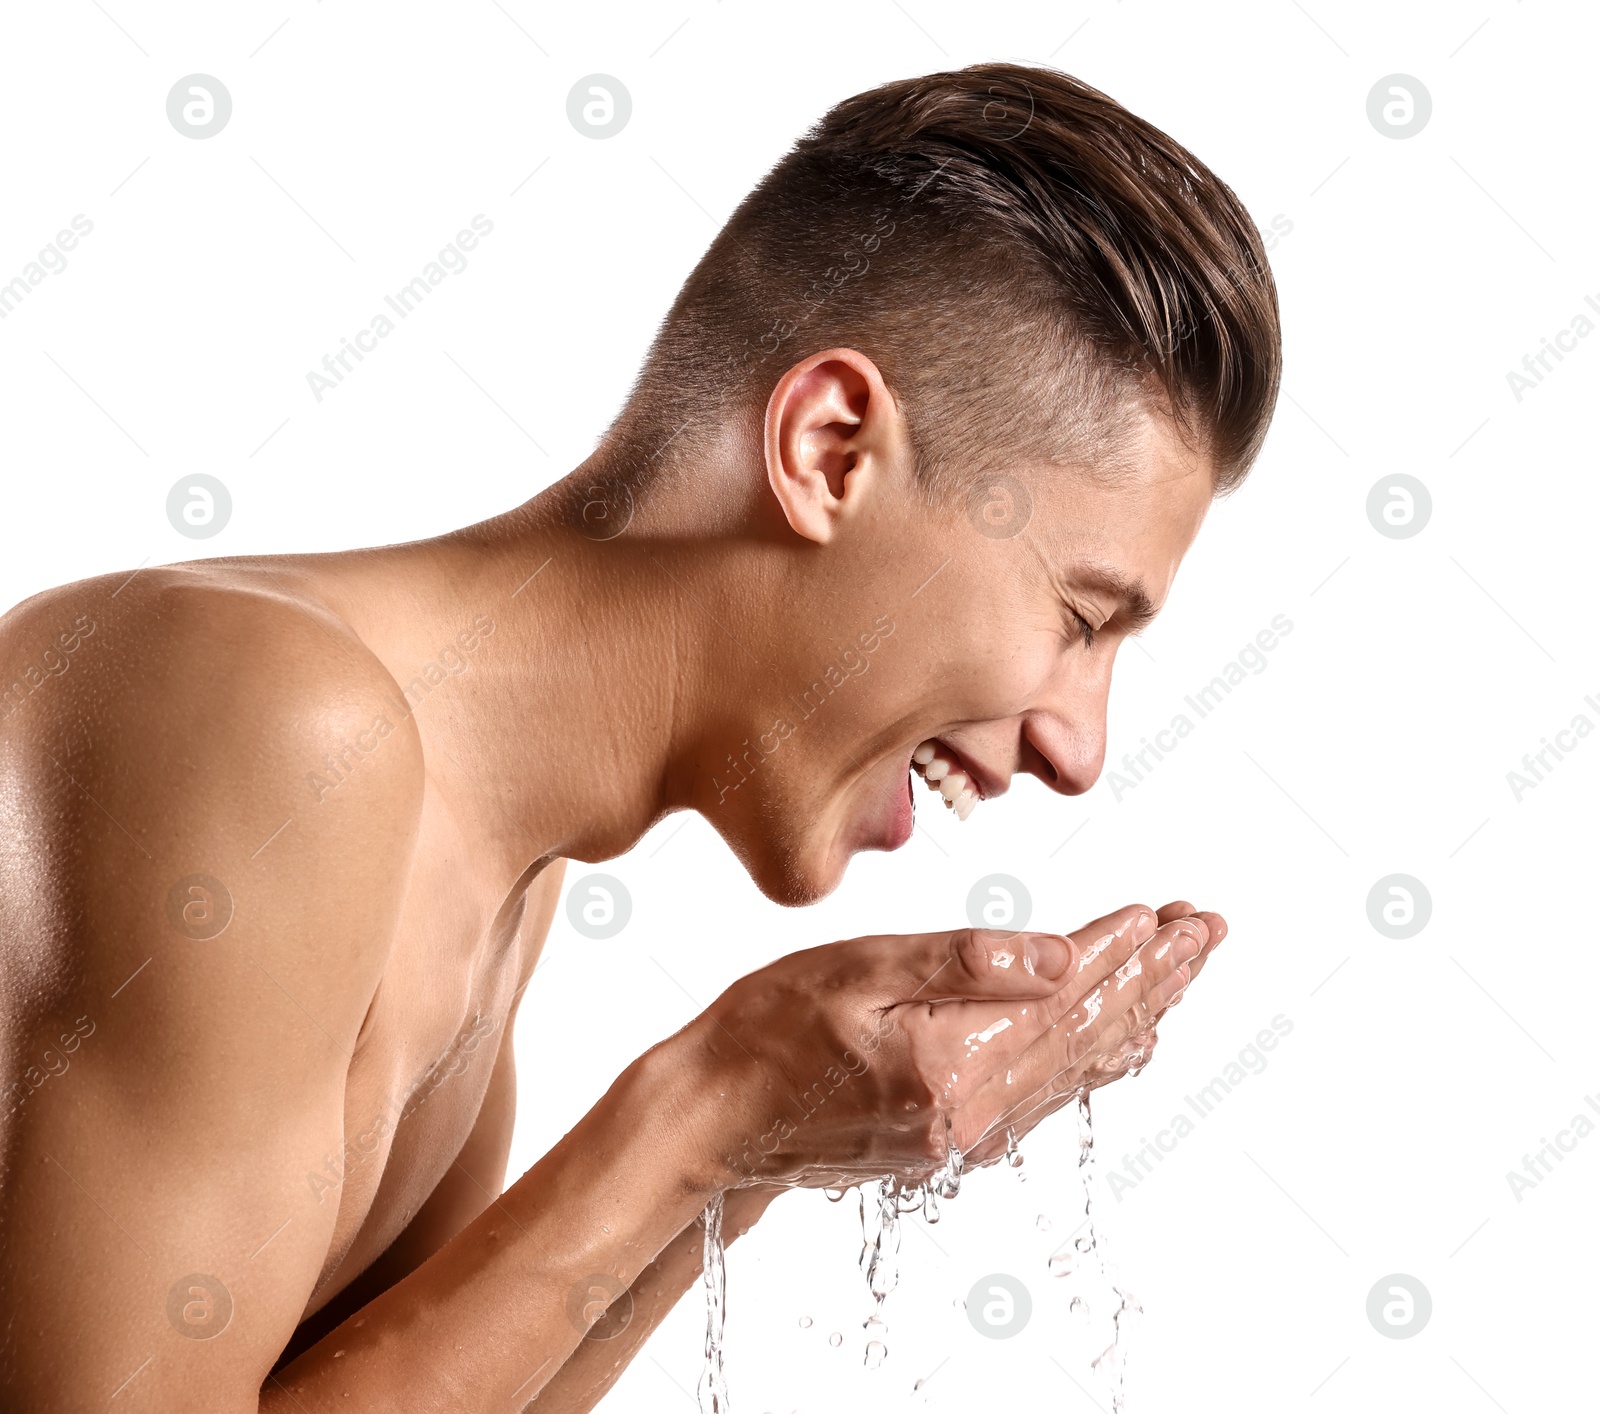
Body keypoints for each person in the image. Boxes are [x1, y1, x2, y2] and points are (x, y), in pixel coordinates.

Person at [0, 61, 1277, 1411]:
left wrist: (759, 1142)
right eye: (1083, 617)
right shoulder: (263, 716)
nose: (1080, 746)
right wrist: (708, 1102)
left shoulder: (491, 865)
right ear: (832, 449)